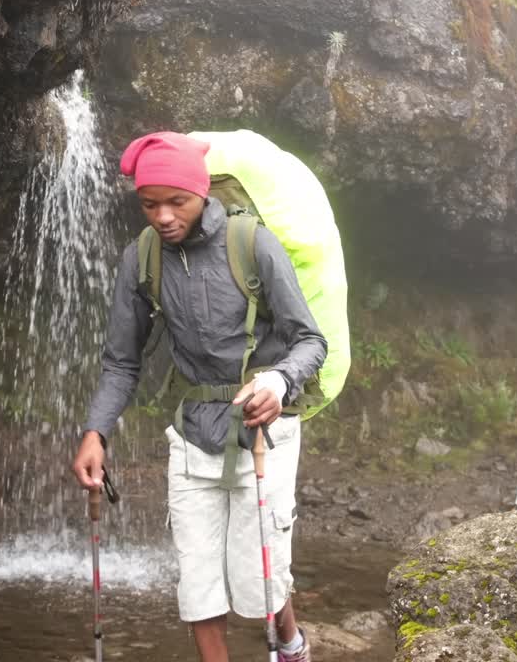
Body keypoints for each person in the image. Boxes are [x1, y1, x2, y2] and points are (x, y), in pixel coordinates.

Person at [70, 131, 327, 662]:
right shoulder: (141, 259)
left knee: (258, 577)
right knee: (197, 578)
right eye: (149, 204)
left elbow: (309, 340)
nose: (162, 216)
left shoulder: (250, 242)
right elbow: (122, 360)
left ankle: (290, 641)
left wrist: (277, 383)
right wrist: (96, 432)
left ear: (201, 192)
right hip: (193, 433)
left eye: (176, 201)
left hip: (265, 429)